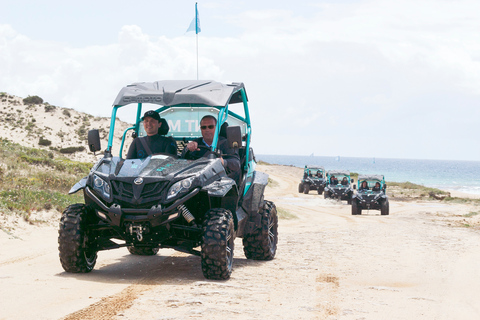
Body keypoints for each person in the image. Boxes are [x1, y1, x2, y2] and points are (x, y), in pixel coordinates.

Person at [184, 115, 240, 179]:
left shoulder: (226, 143)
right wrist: (187, 148)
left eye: (210, 127)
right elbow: (182, 159)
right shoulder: (196, 143)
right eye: (204, 127)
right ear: (201, 129)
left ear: (216, 128)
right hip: (197, 179)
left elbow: (236, 163)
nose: (207, 130)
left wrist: (223, 162)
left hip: (220, 180)